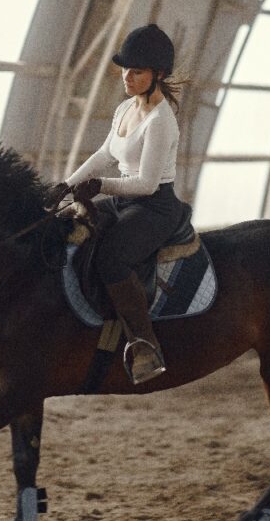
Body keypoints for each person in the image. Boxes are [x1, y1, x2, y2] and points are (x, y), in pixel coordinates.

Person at [49, 24, 188, 384]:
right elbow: (104, 154)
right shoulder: (125, 108)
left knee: (112, 256)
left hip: (154, 207)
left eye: (136, 71)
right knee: (68, 227)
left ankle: (145, 345)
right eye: (125, 69)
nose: (126, 76)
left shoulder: (161, 121)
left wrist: (99, 186)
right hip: (123, 199)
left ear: (157, 75)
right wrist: (67, 186)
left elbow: (146, 183)